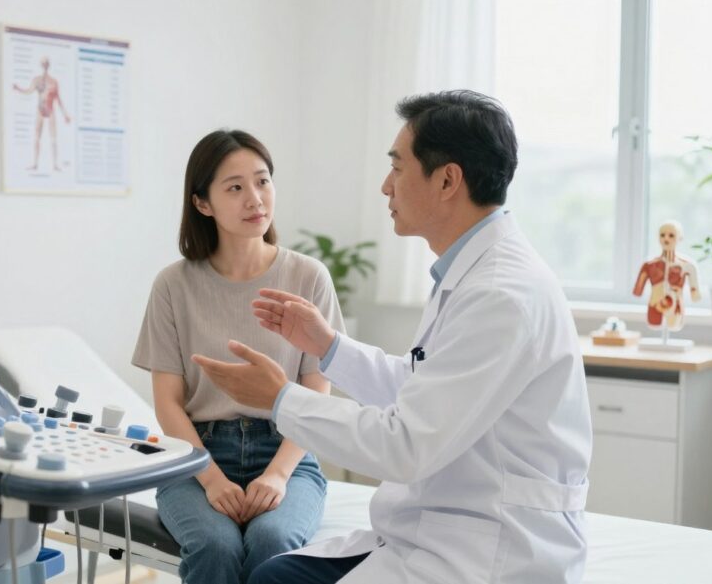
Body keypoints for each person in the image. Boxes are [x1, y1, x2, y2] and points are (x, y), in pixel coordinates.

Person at [193, 91, 593, 584]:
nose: (386, 187)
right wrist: (329, 345)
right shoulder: (470, 273)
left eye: (398, 168)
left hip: (492, 549)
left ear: (447, 179)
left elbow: (403, 446)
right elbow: (418, 385)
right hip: (438, 530)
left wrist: (280, 399)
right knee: (277, 576)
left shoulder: (500, 295)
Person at [132, 129, 345, 584]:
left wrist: (278, 476)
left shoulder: (308, 276)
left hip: (286, 448)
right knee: (215, 545)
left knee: (272, 542)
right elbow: (168, 401)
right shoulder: (173, 285)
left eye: (263, 181)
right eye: (235, 187)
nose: (255, 198)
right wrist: (210, 478)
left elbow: (316, 392)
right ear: (202, 204)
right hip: (195, 456)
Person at [633, 220, 701, 331]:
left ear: (679, 238)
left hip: (675, 305)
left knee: (674, 325)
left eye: (671, 235)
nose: (666, 239)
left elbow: (695, 293)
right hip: (655, 304)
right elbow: (638, 289)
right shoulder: (649, 265)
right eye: (662, 235)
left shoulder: (687, 265)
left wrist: (695, 294)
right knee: (654, 324)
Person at [12, 56, 71, 171]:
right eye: (43, 63)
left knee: (53, 138)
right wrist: (18, 89)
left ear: (48, 65)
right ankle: (35, 163)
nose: (45, 65)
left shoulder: (54, 82)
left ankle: (54, 164)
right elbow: (29, 91)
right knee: (37, 137)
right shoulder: (37, 80)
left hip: (50, 110)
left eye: (46, 63)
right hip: (40, 110)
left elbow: (58, 99)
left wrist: (65, 115)